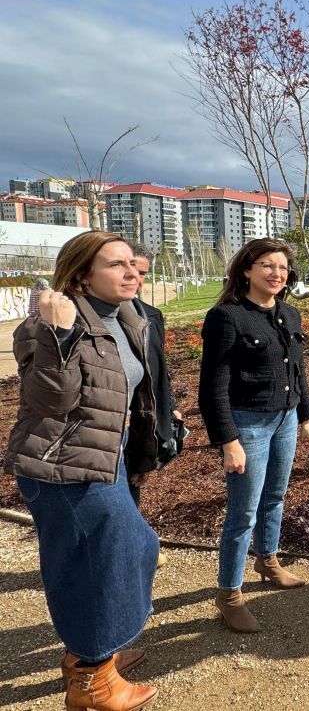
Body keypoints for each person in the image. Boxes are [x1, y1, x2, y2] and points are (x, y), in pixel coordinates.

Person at [5, 231, 159, 710]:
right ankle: (92, 680)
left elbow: (128, 386)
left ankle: (92, 654)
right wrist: (58, 333)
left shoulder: (125, 318)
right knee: (96, 566)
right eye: (117, 265)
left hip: (101, 458)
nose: (132, 272)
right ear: (80, 275)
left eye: (133, 264)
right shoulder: (44, 326)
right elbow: (53, 399)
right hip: (61, 468)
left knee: (135, 547)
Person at [199, 238, 309, 633]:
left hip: (284, 420)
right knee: (243, 512)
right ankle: (229, 594)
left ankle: (267, 561)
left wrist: (306, 417)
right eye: (266, 265)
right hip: (247, 423)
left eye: (282, 268)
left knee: (276, 497)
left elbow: (297, 372)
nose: (276, 273)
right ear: (246, 270)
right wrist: (227, 440)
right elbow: (212, 386)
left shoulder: (291, 314)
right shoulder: (227, 317)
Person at [127, 244, 183, 569]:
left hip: (143, 419)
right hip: (107, 421)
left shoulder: (151, 315)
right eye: (129, 267)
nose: (136, 277)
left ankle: (134, 548)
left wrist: (170, 405)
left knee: (134, 482)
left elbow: (159, 368)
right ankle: (138, 546)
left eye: (143, 272)